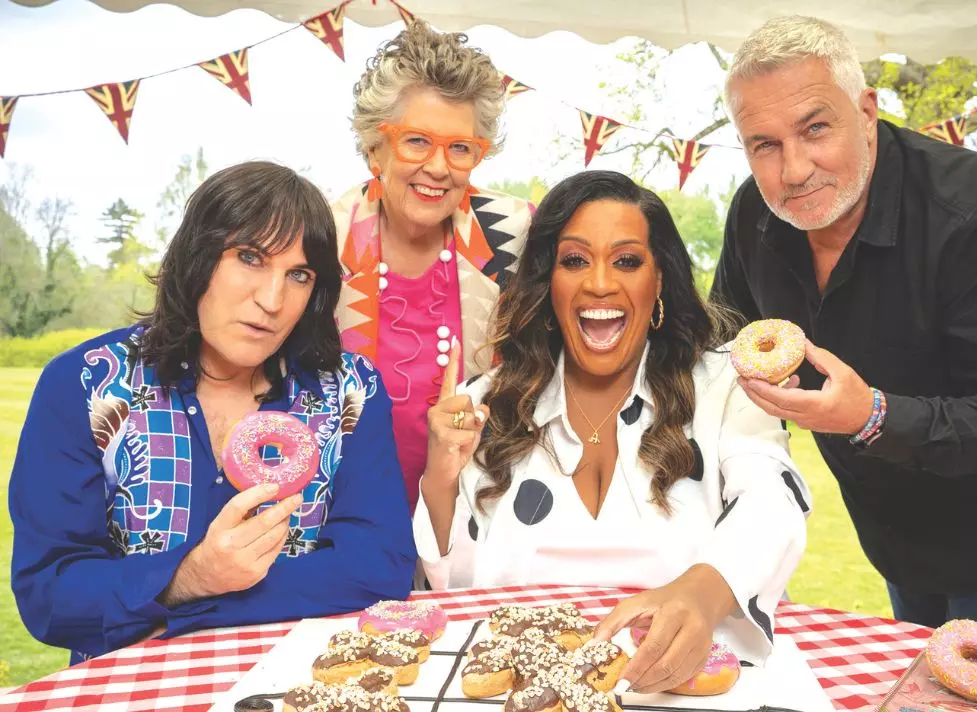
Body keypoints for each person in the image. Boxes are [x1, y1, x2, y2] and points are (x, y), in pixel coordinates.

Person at [709, 15, 977, 662]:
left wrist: (872, 415)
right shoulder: (754, 217)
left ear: (867, 110)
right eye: (762, 144)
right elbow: (724, 341)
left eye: (815, 128)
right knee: (918, 687)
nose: (793, 170)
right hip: (894, 537)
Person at [413, 170, 811, 692]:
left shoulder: (726, 387)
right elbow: (459, 593)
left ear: (660, 279)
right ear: (547, 282)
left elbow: (771, 505)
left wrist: (699, 593)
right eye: (575, 260)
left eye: (627, 261)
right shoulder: (488, 401)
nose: (600, 283)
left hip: (685, 693)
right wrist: (439, 479)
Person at [9, 161, 417, 663]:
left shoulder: (351, 391)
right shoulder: (86, 383)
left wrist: (183, 605)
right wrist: (189, 576)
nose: (272, 299)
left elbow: (380, 566)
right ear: (197, 257)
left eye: (299, 274)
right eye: (249, 257)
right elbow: (49, 594)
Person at [331, 20, 533, 515]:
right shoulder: (322, 236)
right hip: (337, 517)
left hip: (478, 513)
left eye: (460, 148)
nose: (440, 168)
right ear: (374, 147)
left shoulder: (517, 234)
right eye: (417, 141)